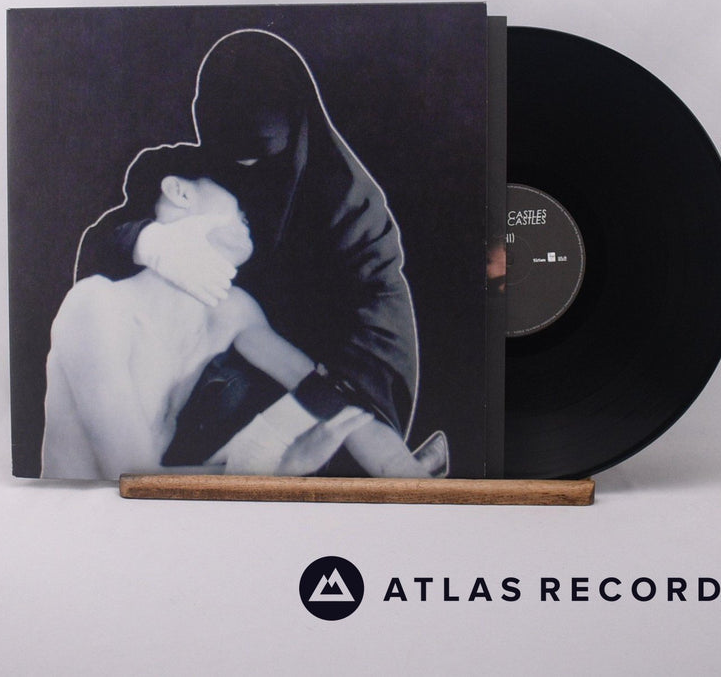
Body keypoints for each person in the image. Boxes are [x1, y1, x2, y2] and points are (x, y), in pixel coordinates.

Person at [75, 30, 425, 473]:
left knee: (331, 416)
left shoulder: (349, 206)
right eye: (233, 161)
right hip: (197, 360)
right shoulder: (188, 176)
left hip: (335, 362)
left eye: (264, 158)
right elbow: (106, 239)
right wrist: (149, 242)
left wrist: (383, 452)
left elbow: (357, 358)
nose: (245, 181)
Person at [42, 157, 439, 481]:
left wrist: (402, 472)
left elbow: (328, 399)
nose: (250, 210)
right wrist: (274, 469)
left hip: (154, 526)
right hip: (82, 535)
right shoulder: (95, 306)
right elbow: (129, 477)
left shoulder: (230, 310)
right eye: (234, 191)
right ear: (180, 191)